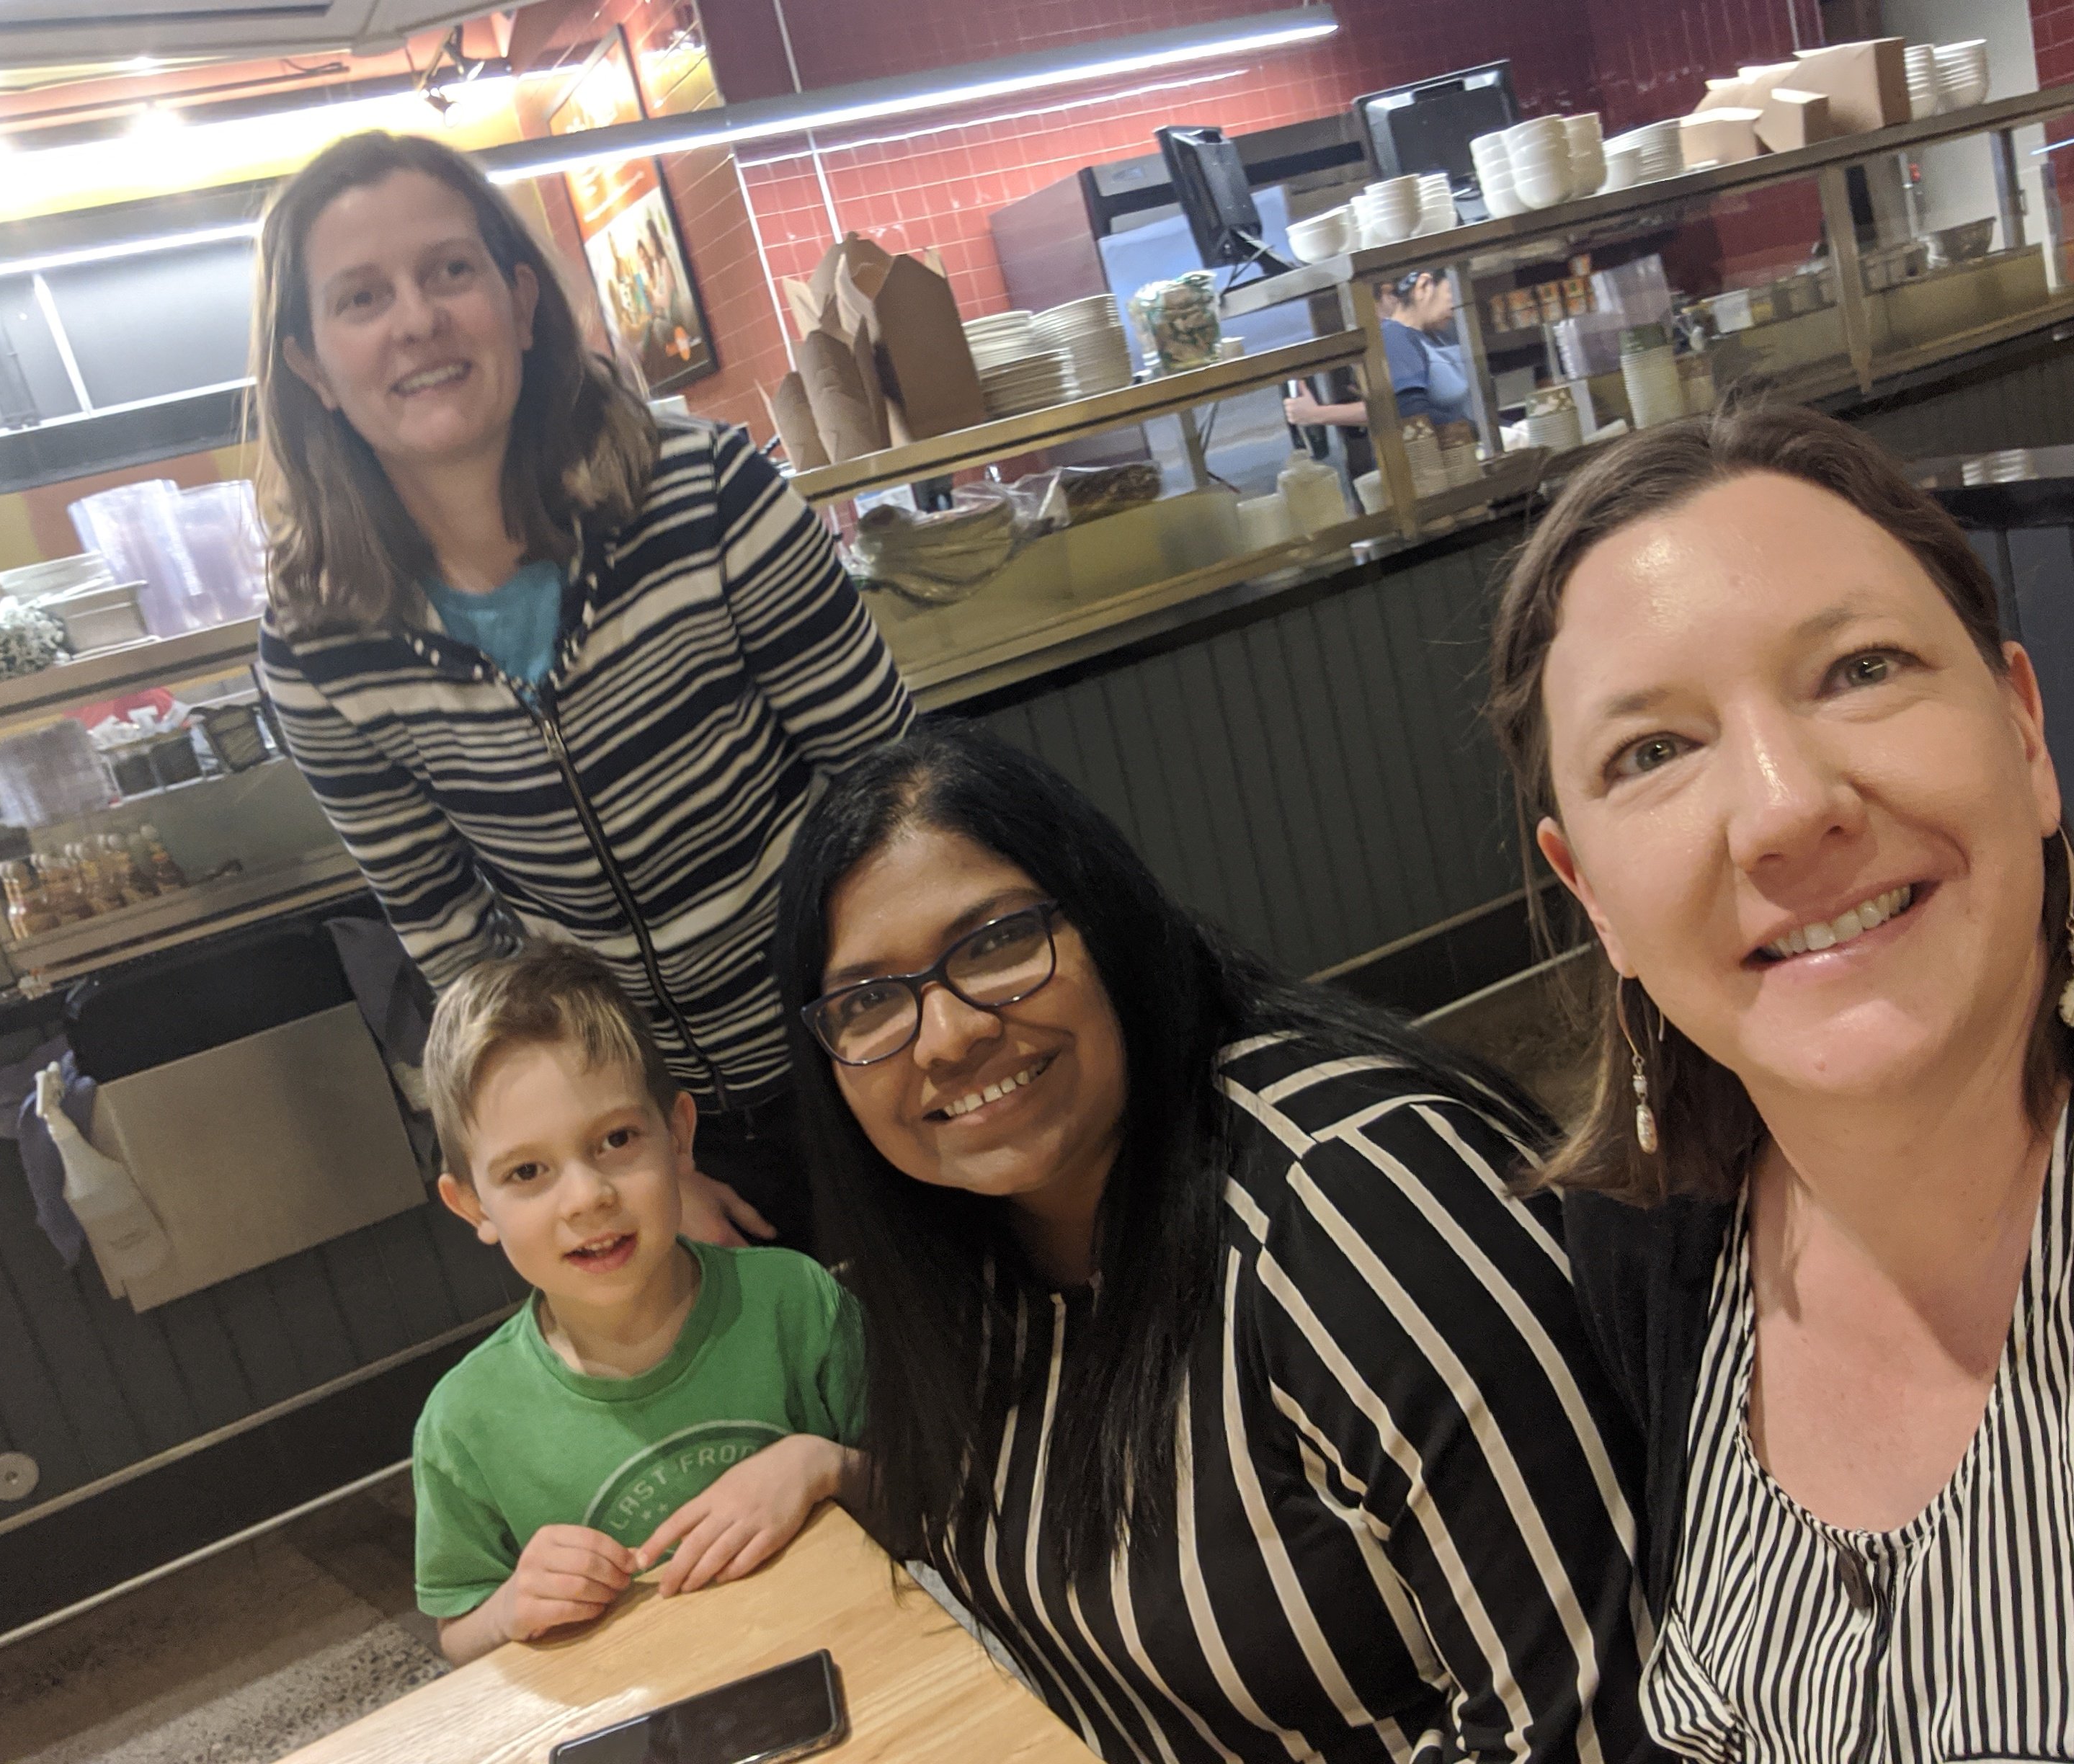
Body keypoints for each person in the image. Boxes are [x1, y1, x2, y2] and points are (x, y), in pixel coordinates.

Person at [1487, 401, 2074, 1758]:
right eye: (1652, 752)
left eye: (1858, 669)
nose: (1786, 808)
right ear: (1591, 894)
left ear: (2022, 731)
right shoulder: (1650, 1250)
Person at [773, 722, 1655, 1764]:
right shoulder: (965, 1247)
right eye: (870, 1002)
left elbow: (1594, 1718)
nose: (950, 1033)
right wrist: (846, 1473)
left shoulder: (1351, 1203)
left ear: (1108, 922)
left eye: (997, 942)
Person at [252, 131, 914, 1252]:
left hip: (868, 1039)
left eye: (449, 271)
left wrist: (896, 1030)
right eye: (361, 297)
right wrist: (637, 1154)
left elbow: (899, 795)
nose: (416, 320)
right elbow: (459, 946)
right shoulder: (318, 652)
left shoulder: (711, 495)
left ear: (520, 303)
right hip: (652, 1132)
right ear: (311, 365)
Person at [411, 940, 863, 1667]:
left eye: (616, 1139)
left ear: (678, 1136)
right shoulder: (463, 1423)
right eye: (527, 1171)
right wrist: (509, 1606)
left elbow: (928, 1489)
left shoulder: (795, 1301)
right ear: (471, 1207)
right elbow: (460, 1634)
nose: (587, 1196)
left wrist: (822, 1463)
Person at [1283, 270, 1471, 429]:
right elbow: (1409, 411)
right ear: (1424, 286)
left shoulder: (1436, 335)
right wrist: (1475, 430)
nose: (1454, 303)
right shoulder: (1395, 336)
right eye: (1450, 291)